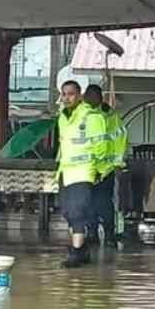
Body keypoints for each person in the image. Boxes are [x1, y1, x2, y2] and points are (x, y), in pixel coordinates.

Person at [56, 80, 110, 268]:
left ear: (79, 95)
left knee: (77, 211)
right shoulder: (64, 117)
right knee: (67, 212)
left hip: (84, 171)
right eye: (64, 94)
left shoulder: (91, 116)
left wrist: (99, 170)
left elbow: (101, 146)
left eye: (70, 94)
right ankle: (81, 248)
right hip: (65, 171)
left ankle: (77, 251)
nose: (66, 98)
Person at [84, 84, 128, 247]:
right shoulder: (83, 115)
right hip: (88, 168)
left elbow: (120, 140)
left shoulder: (110, 116)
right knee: (89, 203)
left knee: (103, 203)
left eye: (93, 96)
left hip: (105, 169)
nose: (90, 100)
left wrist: (118, 164)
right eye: (88, 97)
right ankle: (92, 233)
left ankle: (108, 233)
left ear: (100, 97)